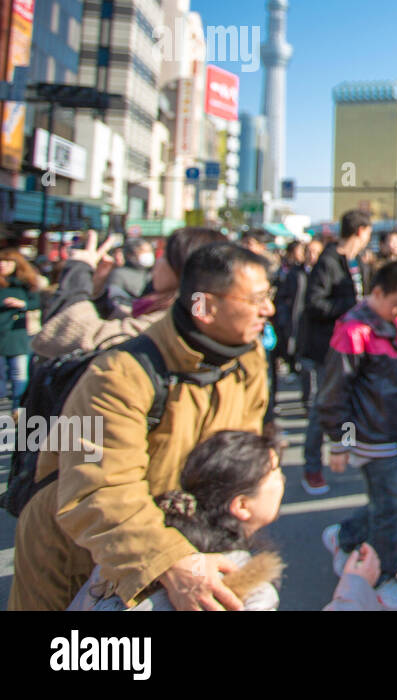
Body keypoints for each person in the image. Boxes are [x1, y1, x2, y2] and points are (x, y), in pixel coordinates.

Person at [9, 241, 274, 611]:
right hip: (81, 554)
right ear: (205, 307)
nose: (269, 309)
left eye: (270, 294)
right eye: (256, 298)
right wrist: (171, 559)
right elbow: (99, 488)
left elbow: (236, 458)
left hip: (181, 546)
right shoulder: (119, 375)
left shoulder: (249, 359)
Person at [317, 259, 397, 611]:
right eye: (396, 302)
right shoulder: (352, 329)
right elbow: (337, 393)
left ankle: (346, 537)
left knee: (390, 503)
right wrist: (341, 442)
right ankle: (380, 580)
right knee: (392, 505)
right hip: (369, 436)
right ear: (376, 292)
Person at [68, 429, 286, 611]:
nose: (282, 479)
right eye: (275, 472)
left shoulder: (132, 547)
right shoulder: (247, 588)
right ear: (241, 505)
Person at [35, 227, 228, 359]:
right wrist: (97, 286)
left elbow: (76, 335)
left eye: (164, 258)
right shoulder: (182, 308)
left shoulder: (174, 319)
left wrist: (79, 269)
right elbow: (117, 324)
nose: (156, 264)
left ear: (184, 267)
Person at [300, 208, 373, 495]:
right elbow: (314, 303)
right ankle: (312, 467)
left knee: (351, 401)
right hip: (327, 346)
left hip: (355, 346)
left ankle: (346, 449)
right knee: (323, 406)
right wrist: (350, 308)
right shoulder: (328, 262)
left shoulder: (359, 262)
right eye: (368, 232)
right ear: (360, 231)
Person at [268, 241, 310, 424]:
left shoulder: (313, 273)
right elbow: (282, 300)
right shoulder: (290, 273)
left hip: (305, 327)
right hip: (288, 326)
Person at [0, 248, 42, 407]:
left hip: (17, 333)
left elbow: (37, 303)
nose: (2, 265)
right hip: (1, 332)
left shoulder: (25, 285)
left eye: (7, 261)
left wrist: (22, 304)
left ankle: (18, 406)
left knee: (19, 372)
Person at [103, 238, 153, 317]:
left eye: (149, 251)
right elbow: (114, 300)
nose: (148, 254)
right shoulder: (118, 274)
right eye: (143, 251)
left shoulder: (151, 274)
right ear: (130, 255)